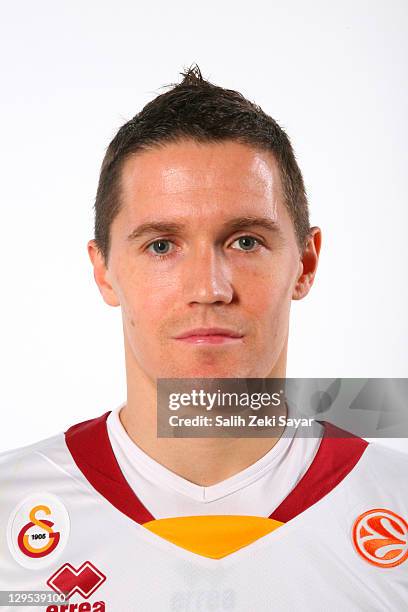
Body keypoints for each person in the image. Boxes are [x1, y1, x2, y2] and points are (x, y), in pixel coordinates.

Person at [1, 65, 407, 612]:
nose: (209, 289)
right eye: (162, 246)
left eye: (244, 241)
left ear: (306, 262)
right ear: (104, 272)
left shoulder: (394, 499)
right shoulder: (12, 507)